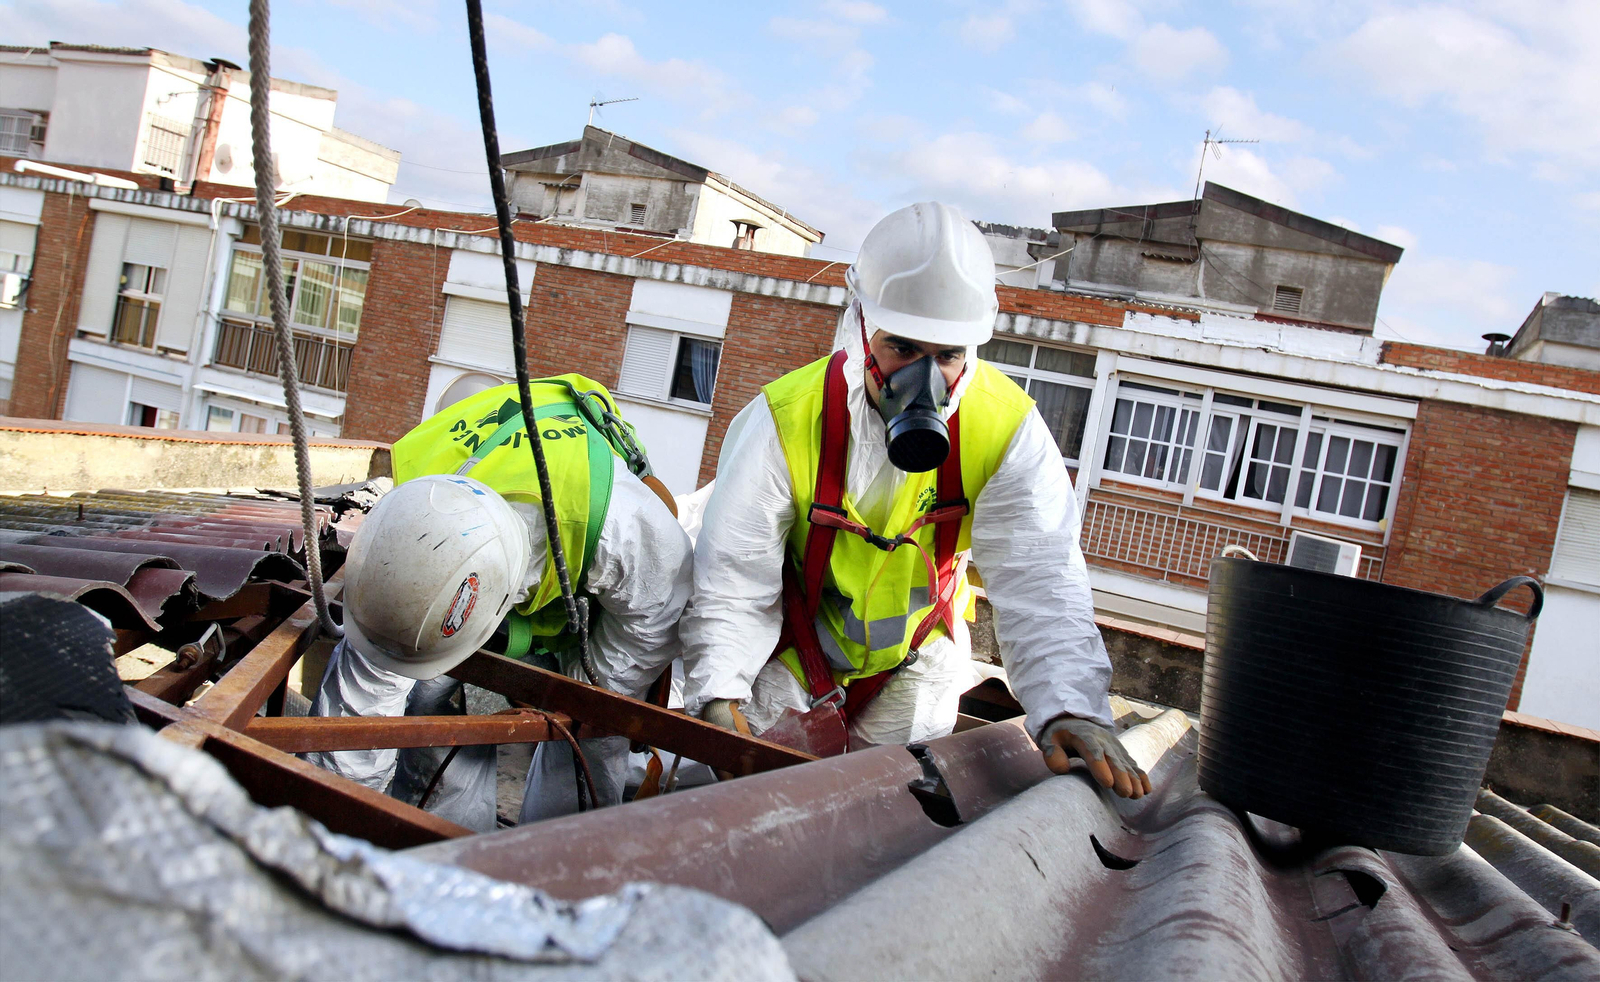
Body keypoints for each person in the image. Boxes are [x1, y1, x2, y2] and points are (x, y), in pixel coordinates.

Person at [680, 202, 1151, 799]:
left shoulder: (1005, 430)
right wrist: (719, 692)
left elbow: (1041, 580)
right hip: (791, 652)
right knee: (734, 806)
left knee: (887, 824)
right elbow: (733, 579)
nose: (924, 378)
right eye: (902, 348)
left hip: (914, 659)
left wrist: (1071, 708)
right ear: (859, 327)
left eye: (948, 355)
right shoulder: (785, 419)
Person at [305, 375, 693, 830]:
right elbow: (359, 712)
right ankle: (445, 840)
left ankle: (557, 858)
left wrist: (578, 696)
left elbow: (651, 624)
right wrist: (331, 831)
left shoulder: (632, 537)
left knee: (590, 729)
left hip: (596, 598)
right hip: (471, 551)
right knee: (427, 690)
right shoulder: (406, 540)